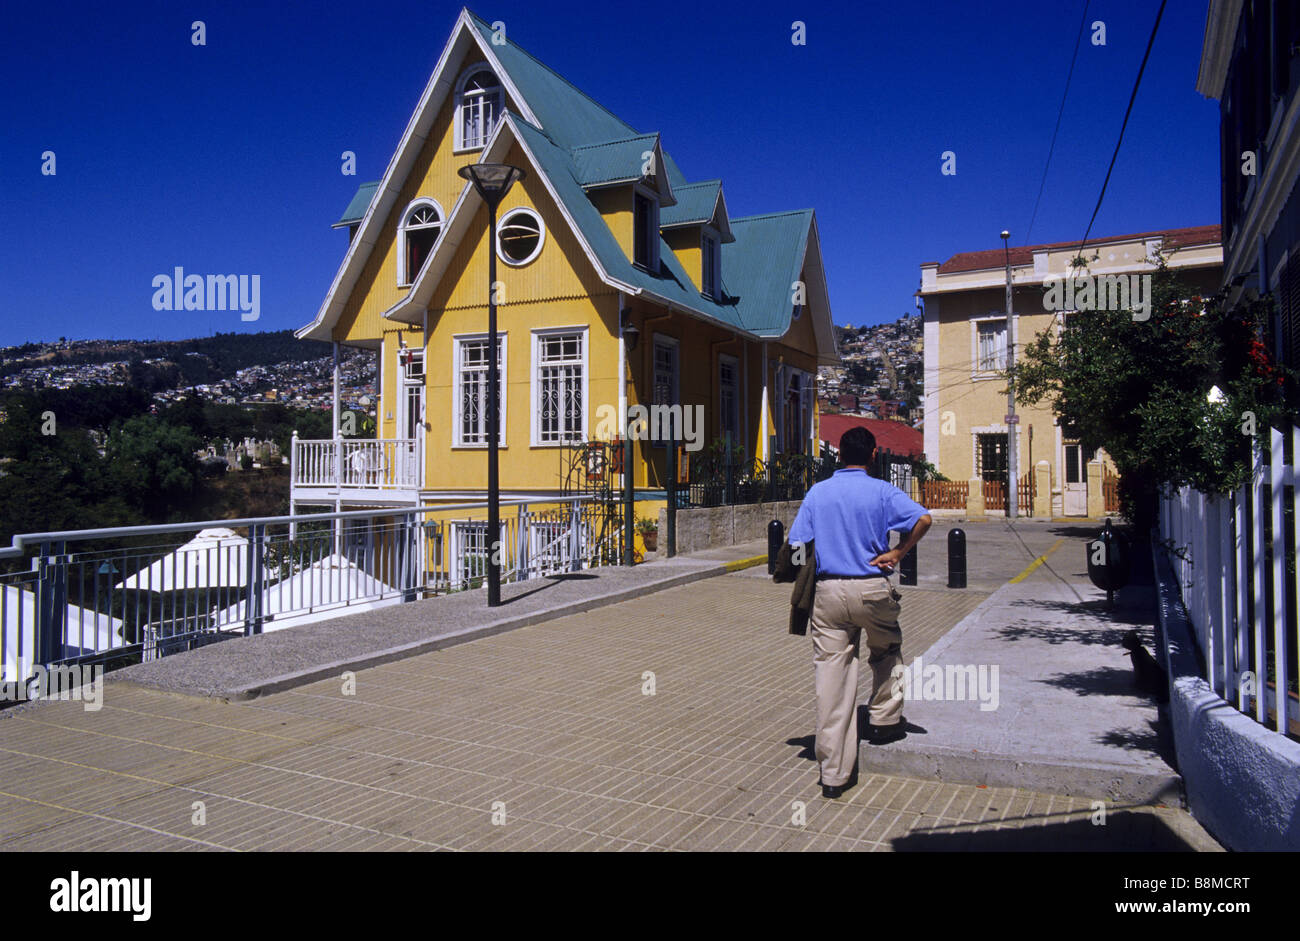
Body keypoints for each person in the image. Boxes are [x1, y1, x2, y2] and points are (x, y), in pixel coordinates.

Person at [787, 426, 932, 799]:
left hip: (829, 591)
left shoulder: (818, 493)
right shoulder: (882, 491)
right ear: (872, 456)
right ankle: (885, 719)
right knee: (887, 649)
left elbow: (796, 544)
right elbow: (924, 519)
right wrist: (898, 553)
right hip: (871, 587)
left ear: (838, 455)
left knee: (832, 678)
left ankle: (834, 775)